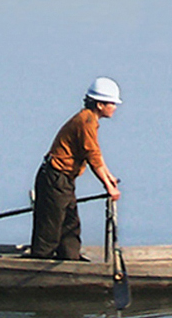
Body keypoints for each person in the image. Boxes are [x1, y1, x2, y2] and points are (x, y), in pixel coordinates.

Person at [31, 78, 122, 261]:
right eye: (111, 103)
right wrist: (108, 187)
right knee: (51, 227)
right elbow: (92, 157)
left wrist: (109, 176)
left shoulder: (90, 121)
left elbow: (96, 153)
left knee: (70, 225)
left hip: (64, 180)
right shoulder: (85, 121)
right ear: (100, 105)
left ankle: (70, 260)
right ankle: (39, 263)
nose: (114, 107)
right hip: (54, 177)